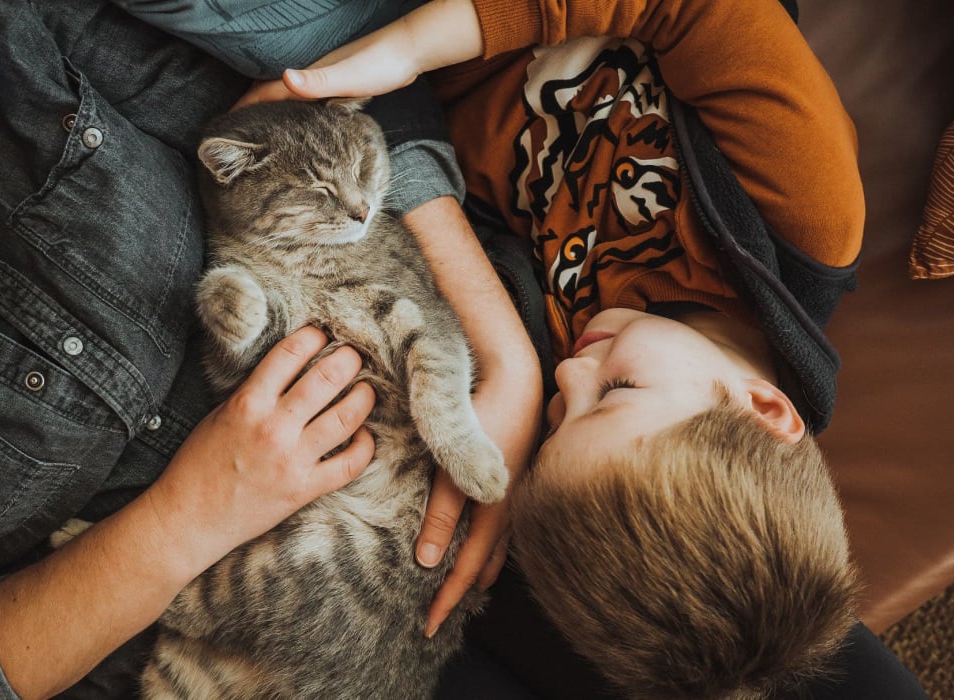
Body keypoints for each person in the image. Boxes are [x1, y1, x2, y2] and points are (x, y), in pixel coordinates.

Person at [248, 0, 931, 697]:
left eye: (555, 419)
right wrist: (413, 46)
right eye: (614, 394)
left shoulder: (570, 354)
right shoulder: (806, 209)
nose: (571, 371)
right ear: (766, 410)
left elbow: (406, 193)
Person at [0, 0, 541, 697]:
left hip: (387, 511)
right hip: (156, 622)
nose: (356, 211)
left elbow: (337, 68)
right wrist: (183, 524)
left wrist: (505, 356)